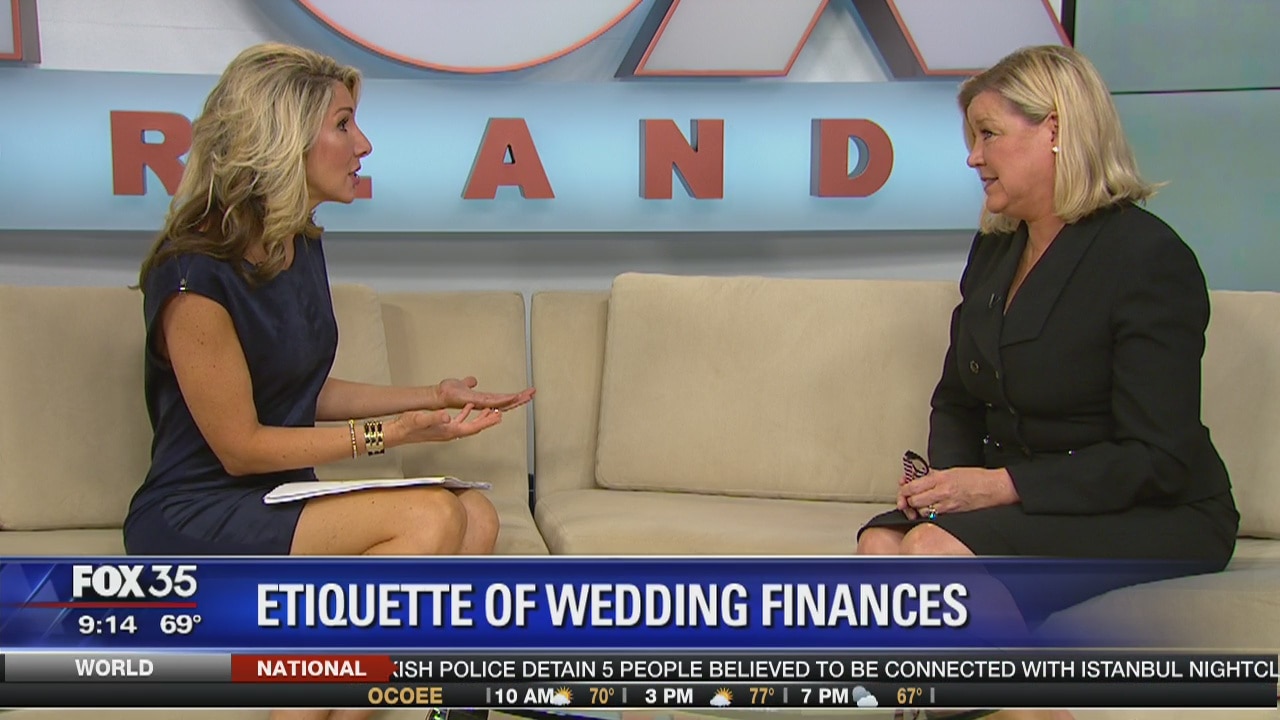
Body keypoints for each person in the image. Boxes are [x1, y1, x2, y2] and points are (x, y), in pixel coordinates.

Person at [126, 42, 532, 592]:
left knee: (477, 515)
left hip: (281, 493)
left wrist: (433, 397)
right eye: (343, 125)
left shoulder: (297, 243)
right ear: (282, 139)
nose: (363, 144)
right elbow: (241, 448)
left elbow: (298, 389)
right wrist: (391, 435)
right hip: (198, 510)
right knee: (430, 516)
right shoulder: (194, 273)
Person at [857, 45, 1237, 579]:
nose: (973, 158)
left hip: (1152, 510)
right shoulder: (995, 249)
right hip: (1026, 499)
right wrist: (947, 487)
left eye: (988, 134)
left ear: (1054, 130)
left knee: (930, 550)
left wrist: (1000, 486)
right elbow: (958, 399)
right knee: (880, 543)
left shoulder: (1147, 258)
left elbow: (1158, 457)